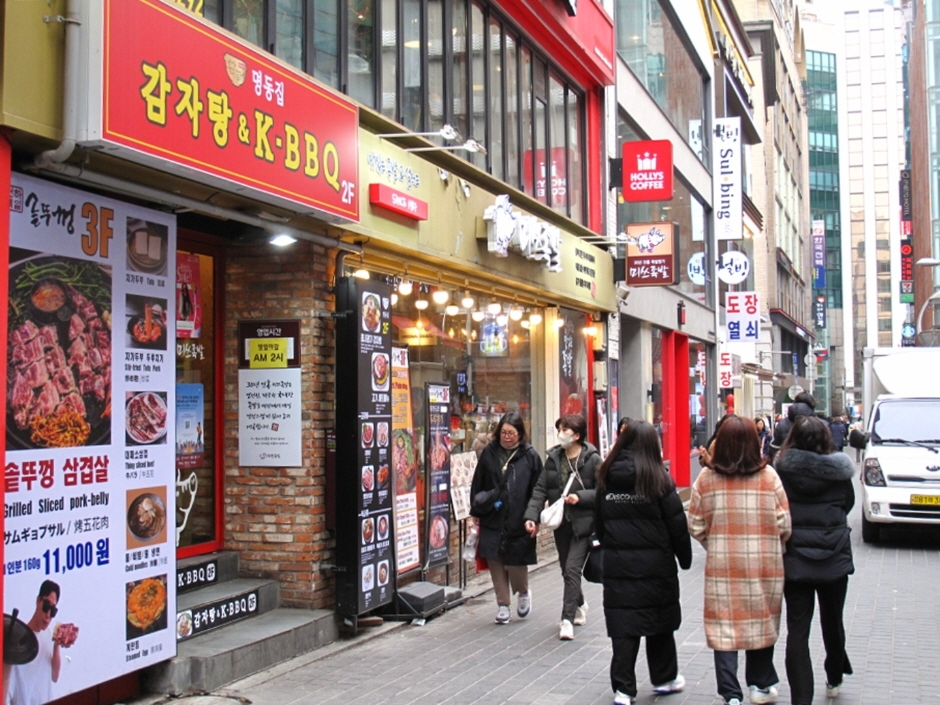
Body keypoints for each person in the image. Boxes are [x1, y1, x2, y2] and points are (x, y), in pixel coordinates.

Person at [688, 416, 792, 705]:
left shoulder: (706, 479)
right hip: (764, 563)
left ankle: (730, 693)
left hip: (723, 565)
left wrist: (715, 544)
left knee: (724, 625)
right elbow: (784, 523)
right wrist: (773, 544)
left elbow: (695, 524)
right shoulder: (769, 477)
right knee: (761, 619)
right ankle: (760, 684)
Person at [595, 421, 692, 705]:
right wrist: (684, 559)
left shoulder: (607, 478)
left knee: (623, 626)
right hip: (656, 568)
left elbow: (600, 524)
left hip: (619, 566)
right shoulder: (659, 480)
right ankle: (664, 678)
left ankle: (624, 689)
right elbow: (677, 526)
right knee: (659, 622)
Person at [774, 416, 855, 705]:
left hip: (795, 558)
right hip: (834, 556)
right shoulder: (839, 473)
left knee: (798, 629)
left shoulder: (781, 472)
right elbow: (848, 504)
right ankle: (834, 675)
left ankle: (801, 699)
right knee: (833, 621)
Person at [523, 414, 601, 640]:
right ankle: (580, 603)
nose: (560, 434)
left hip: (584, 525)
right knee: (566, 569)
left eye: (565, 429)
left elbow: (603, 491)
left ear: (576, 435)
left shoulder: (593, 460)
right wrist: (532, 516)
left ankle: (566, 619)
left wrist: (581, 497)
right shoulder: (554, 459)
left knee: (572, 569)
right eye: (560, 429)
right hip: (562, 525)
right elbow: (540, 490)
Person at [470, 412, 543, 624]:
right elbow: (478, 482)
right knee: (495, 560)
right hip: (493, 514)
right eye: (503, 432)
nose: (507, 437)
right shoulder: (489, 452)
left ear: (520, 434)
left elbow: (538, 489)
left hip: (520, 517)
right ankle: (503, 604)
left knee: (516, 561)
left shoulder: (529, 455)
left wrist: (535, 517)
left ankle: (523, 591)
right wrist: (476, 511)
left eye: (511, 433)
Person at [3, 580, 68, 705]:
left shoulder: (49, 635)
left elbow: (55, 676)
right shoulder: (17, 644)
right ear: (38, 601)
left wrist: (57, 645)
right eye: (46, 606)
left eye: (53, 611)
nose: (48, 615)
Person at [769, 392, 816, 462]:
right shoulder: (820, 424)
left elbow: (774, 448)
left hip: (786, 464)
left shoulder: (782, 424)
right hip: (813, 465)